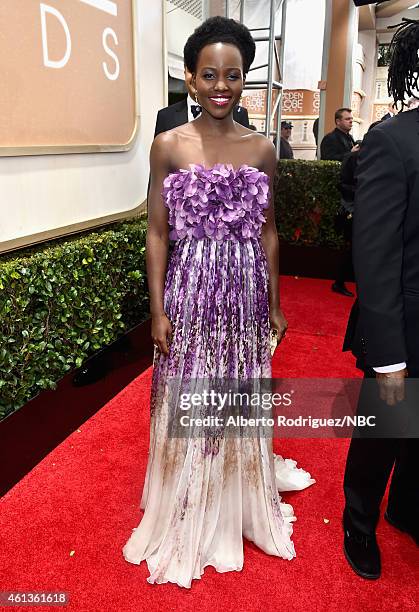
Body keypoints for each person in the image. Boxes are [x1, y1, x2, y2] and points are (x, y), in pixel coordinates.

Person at [122, 16, 314, 588]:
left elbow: (269, 232)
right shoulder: (167, 146)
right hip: (190, 293)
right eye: (209, 74)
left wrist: (276, 304)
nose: (221, 85)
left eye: (233, 75)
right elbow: (157, 232)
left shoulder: (262, 149)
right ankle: (187, 498)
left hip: (246, 294)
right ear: (190, 77)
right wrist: (157, 310)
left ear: (245, 79)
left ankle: (233, 495)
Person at [342, 18, 419, 580]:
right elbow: (374, 255)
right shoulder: (393, 140)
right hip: (402, 328)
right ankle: (358, 523)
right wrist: (389, 357)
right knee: (382, 434)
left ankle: (407, 510)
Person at [153, 67, 250, 137]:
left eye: (208, 75)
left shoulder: (239, 114)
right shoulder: (165, 116)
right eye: (191, 71)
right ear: (185, 71)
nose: (195, 79)